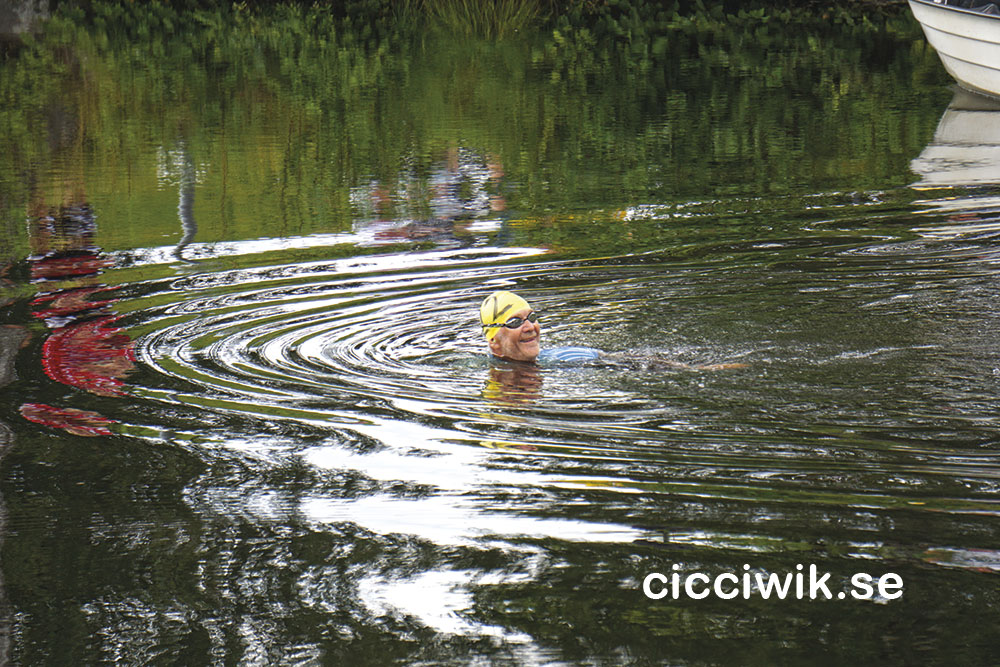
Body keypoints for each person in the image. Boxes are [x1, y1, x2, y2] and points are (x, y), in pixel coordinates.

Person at [479, 290, 746, 370]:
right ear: (494, 343)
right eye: (515, 322)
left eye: (532, 317)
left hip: (602, 359)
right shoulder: (488, 376)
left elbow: (631, 362)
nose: (530, 327)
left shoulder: (568, 359)